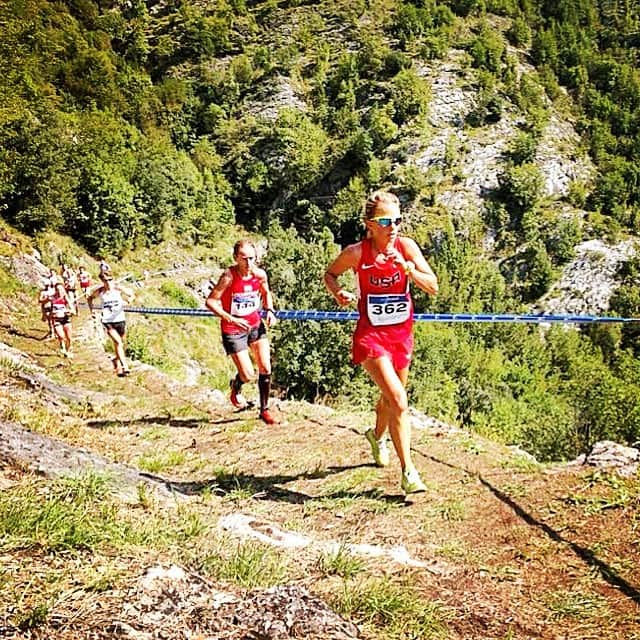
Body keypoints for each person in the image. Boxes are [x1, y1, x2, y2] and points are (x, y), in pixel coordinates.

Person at [323, 190, 438, 494]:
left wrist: (408, 269)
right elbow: (330, 275)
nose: (394, 226)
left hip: (401, 334)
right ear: (370, 224)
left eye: (398, 220)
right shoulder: (357, 253)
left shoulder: (407, 247)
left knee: (391, 399)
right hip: (370, 335)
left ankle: (377, 436)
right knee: (399, 400)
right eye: (386, 221)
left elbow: (433, 287)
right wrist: (339, 293)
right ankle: (409, 472)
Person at [206, 239, 279, 425]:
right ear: (235, 258)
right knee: (247, 374)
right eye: (244, 258)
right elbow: (211, 302)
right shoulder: (228, 276)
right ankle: (237, 385)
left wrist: (269, 310)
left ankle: (264, 410)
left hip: (255, 325)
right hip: (233, 329)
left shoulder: (260, 275)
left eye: (252, 258)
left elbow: (266, 293)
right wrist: (231, 318)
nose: (248, 263)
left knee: (266, 367)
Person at [87, 271, 135, 377]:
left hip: (120, 319)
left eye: (110, 280)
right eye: (105, 280)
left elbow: (131, 294)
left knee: (121, 344)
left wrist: (128, 301)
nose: (108, 282)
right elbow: (90, 298)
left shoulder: (118, 288)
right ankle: (124, 366)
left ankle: (116, 361)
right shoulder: (100, 291)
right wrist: (92, 311)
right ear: (102, 281)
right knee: (118, 342)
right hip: (107, 321)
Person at [50, 282, 76, 357]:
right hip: (56, 319)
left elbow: (73, 310)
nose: (60, 291)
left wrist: (69, 311)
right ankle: (62, 344)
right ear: (55, 290)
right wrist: (50, 313)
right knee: (61, 336)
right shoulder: (52, 298)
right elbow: (49, 309)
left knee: (69, 338)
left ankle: (69, 350)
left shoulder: (66, 298)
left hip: (65, 319)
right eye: (58, 289)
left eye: (61, 289)